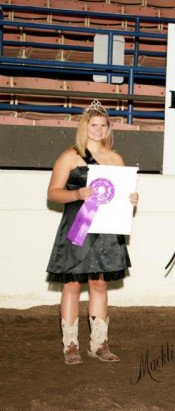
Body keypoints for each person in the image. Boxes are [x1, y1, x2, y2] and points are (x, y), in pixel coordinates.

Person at [46, 100, 139, 365]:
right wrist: (76, 193)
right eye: (93, 125)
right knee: (72, 284)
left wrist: (131, 199)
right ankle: (71, 345)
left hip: (107, 230)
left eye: (103, 125)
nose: (98, 130)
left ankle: (99, 344)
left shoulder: (116, 159)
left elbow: (120, 195)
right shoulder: (70, 156)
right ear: (84, 127)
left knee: (99, 283)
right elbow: (53, 193)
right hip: (79, 226)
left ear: (109, 128)